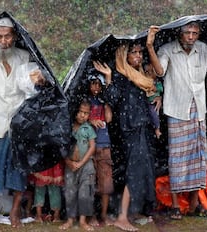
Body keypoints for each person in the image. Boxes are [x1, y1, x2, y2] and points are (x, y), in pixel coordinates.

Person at [146, 13, 207, 219]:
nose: (191, 36)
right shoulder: (168, 49)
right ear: (180, 33)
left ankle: (195, 204)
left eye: (195, 32)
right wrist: (150, 47)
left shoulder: (202, 49)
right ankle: (176, 206)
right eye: (188, 32)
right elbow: (159, 71)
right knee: (178, 159)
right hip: (178, 111)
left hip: (198, 112)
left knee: (198, 159)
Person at [0, 17, 46, 229]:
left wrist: (40, 81)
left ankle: (15, 213)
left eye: (7, 36)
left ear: (14, 36)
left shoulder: (24, 58)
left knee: (18, 171)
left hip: (19, 125)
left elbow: (35, 87)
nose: (3, 41)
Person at [93, 41, 157, 231]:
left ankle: (133, 211)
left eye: (140, 52)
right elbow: (111, 99)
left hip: (142, 127)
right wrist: (109, 77)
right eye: (133, 53)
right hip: (130, 130)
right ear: (124, 56)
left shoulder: (138, 76)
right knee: (134, 171)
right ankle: (122, 217)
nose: (138, 56)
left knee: (143, 170)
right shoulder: (121, 76)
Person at [59, 99, 97, 231]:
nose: (82, 115)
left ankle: (82, 221)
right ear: (75, 111)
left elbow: (92, 147)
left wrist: (81, 163)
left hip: (86, 166)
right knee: (70, 192)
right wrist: (69, 162)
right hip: (70, 166)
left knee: (85, 193)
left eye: (86, 113)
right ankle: (70, 220)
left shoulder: (89, 128)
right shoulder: (67, 127)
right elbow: (61, 148)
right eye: (80, 112)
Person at [86, 73, 114, 227]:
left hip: (104, 144)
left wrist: (106, 103)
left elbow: (108, 119)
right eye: (93, 84)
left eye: (99, 84)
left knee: (106, 183)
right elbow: (80, 118)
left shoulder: (104, 101)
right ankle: (92, 216)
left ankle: (104, 214)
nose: (96, 87)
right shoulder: (85, 101)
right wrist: (92, 120)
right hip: (90, 145)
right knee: (89, 183)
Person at [144, 63, 163, 139]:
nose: (149, 73)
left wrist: (155, 88)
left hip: (153, 103)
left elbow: (161, 89)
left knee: (154, 113)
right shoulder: (143, 81)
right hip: (146, 103)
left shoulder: (156, 82)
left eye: (152, 71)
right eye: (147, 72)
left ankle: (157, 128)